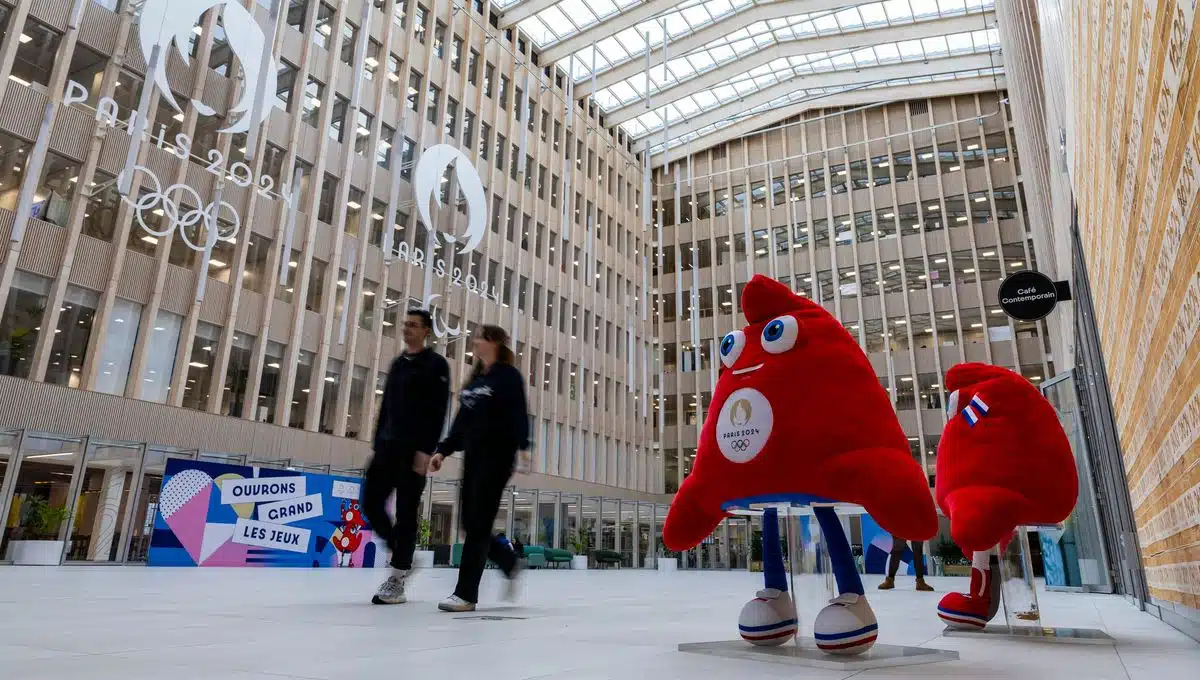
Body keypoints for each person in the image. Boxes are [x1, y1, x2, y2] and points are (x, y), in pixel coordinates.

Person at [428, 324, 529, 612]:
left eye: (479, 338)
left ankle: (465, 595)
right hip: (473, 458)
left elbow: (519, 412)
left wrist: (524, 447)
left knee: (477, 526)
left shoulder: (508, 377)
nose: (474, 342)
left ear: (494, 342)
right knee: (470, 525)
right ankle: (509, 562)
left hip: (497, 458)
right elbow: (462, 422)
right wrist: (442, 451)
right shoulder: (475, 380)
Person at [363, 309, 451, 605]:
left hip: (414, 450)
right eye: (405, 324)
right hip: (386, 447)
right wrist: (377, 443)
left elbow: (438, 411)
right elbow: (386, 405)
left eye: (413, 325)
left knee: (406, 513)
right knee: (371, 503)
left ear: (426, 331)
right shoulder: (398, 364)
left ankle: (398, 577)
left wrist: (426, 450)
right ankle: (400, 550)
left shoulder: (436, 365)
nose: (407, 329)